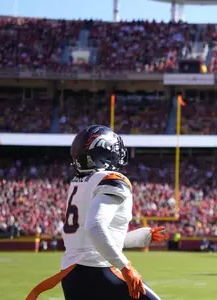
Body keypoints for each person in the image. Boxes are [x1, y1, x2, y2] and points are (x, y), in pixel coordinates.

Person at [26, 125, 168, 300]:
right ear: (104, 152)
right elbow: (94, 228)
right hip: (98, 272)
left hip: (73, 277)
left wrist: (140, 238)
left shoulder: (79, 183)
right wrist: (126, 267)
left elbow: (94, 239)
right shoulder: (111, 180)